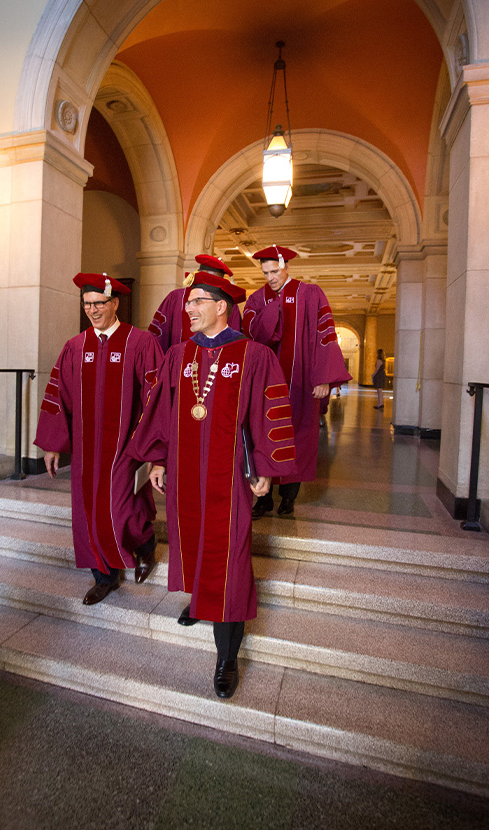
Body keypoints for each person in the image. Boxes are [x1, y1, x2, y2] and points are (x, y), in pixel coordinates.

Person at [129, 270, 297, 699]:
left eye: (197, 301)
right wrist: (157, 459)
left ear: (221, 306)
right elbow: (162, 410)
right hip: (185, 474)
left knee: (231, 558)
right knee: (193, 541)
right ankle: (203, 601)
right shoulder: (179, 354)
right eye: (188, 302)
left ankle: (227, 657)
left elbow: (270, 412)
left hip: (231, 474)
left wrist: (265, 467)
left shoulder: (254, 355)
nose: (188, 308)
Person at [34, 273, 163, 605]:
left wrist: (154, 450)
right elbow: (58, 395)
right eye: (87, 304)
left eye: (99, 303)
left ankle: (144, 542)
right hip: (86, 450)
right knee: (88, 511)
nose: (92, 310)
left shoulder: (140, 342)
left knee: (123, 508)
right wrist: (52, 444)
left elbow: (156, 397)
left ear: (115, 303)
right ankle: (104, 577)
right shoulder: (75, 347)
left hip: (126, 446)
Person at [242, 245, 351, 518]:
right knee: (263, 436)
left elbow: (325, 334)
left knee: (299, 437)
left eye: (275, 271)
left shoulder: (310, 294)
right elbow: (251, 333)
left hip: (302, 382)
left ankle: (289, 498)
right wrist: (274, 309)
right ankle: (263, 498)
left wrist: (323, 378)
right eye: (266, 273)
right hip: (264, 384)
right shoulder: (257, 299)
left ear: (286, 266)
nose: (271, 278)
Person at [148, 254, 241, 351]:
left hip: (216, 358)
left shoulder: (228, 303)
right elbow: (160, 335)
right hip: (180, 357)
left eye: (216, 282)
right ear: (198, 274)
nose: (211, 285)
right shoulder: (175, 297)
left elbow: (234, 340)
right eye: (208, 279)